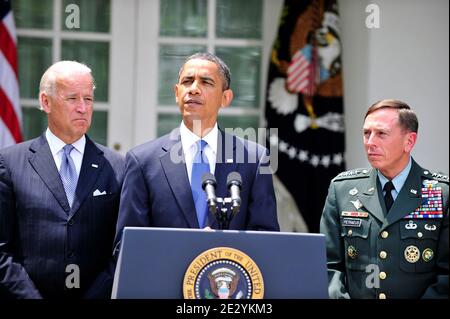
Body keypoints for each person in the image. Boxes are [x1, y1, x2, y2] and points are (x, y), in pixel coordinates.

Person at [115, 52, 279, 240]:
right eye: (187, 81)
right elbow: (128, 245)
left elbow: (266, 238)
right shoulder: (143, 161)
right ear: (177, 93)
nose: (193, 89)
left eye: (206, 82)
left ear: (226, 98)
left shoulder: (254, 159)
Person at [0, 61, 124, 299]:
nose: (83, 108)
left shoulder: (117, 166)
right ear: (45, 102)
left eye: (88, 99)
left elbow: (120, 249)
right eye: (72, 99)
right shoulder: (10, 163)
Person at [320, 99, 448, 299]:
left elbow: (446, 277)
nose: (370, 142)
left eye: (381, 134)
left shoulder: (439, 194)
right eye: (366, 133)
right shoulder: (343, 189)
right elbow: (328, 267)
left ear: (409, 141)